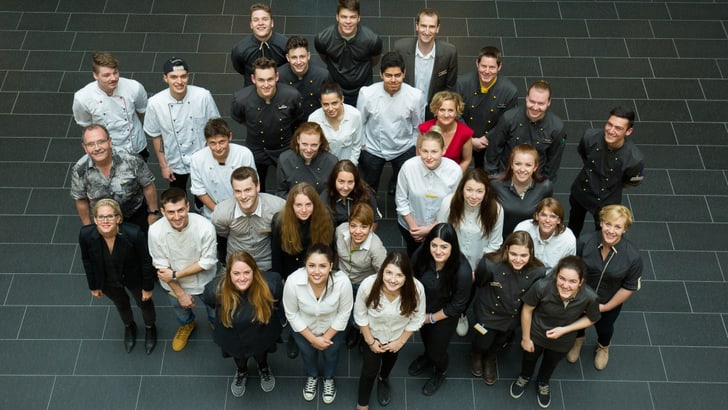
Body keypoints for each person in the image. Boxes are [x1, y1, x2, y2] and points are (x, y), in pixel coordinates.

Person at [510, 256, 600, 408]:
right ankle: (525, 376)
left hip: (563, 340)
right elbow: (527, 310)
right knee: (529, 359)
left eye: (572, 281)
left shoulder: (590, 297)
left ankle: (543, 382)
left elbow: (592, 318)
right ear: (555, 275)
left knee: (551, 363)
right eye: (562, 278)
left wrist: (565, 330)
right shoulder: (541, 287)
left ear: (581, 282)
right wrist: (526, 338)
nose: (566, 285)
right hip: (536, 334)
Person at [567, 205, 642, 370]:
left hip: (608, 301)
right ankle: (578, 340)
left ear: (625, 229)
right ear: (601, 223)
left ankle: (603, 346)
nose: (611, 231)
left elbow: (629, 287)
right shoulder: (584, 242)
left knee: (605, 328)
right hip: (579, 297)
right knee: (576, 320)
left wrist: (606, 307)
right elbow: (573, 270)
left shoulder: (633, 257)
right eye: (608, 224)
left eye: (618, 227)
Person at [79, 198, 157, 354]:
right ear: (95, 219)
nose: (105, 220)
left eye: (110, 216)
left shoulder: (134, 233)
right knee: (121, 303)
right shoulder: (86, 235)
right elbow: (87, 260)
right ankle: (129, 326)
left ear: (118, 218)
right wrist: (93, 285)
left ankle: (150, 328)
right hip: (107, 280)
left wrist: (147, 287)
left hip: (134, 277)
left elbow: (146, 261)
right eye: (101, 217)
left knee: (144, 303)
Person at [201, 251, 282, 398]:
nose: (242, 278)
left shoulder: (271, 284)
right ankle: (242, 372)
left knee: (261, 354)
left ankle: (263, 368)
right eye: (236, 273)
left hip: (261, 333)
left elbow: (277, 298)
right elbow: (209, 300)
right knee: (238, 358)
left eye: (247, 272)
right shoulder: (216, 290)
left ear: (254, 271)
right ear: (229, 274)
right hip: (232, 335)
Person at [471, 231, 545, 385]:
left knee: (500, 342)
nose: (518, 260)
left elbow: (532, 297)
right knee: (482, 341)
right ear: (506, 249)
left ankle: (490, 358)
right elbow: (479, 282)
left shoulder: (538, 271)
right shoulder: (490, 264)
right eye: (513, 254)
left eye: (523, 256)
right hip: (488, 313)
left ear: (531, 253)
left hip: (512, 316)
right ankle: (477, 354)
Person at [148, 188, 218, 352]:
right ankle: (187, 325)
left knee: (214, 308)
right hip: (173, 285)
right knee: (180, 310)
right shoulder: (155, 231)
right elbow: (161, 267)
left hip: (205, 280)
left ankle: (216, 324)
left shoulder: (205, 227)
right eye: (171, 212)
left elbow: (207, 262)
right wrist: (180, 293)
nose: (177, 216)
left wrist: (175, 274)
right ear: (163, 211)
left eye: (180, 210)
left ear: (187, 206)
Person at [283, 244, 353, 405]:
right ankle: (312, 376)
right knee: (307, 355)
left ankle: (328, 379)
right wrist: (313, 340)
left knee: (331, 356)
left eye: (322, 266)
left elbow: (344, 313)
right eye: (311, 265)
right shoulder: (293, 281)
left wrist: (326, 337)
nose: (316, 271)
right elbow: (292, 314)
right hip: (304, 331)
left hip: (333, 330)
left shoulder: (342, 282)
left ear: (331, 266)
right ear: (305, 265)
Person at [355, 251, 425, 409]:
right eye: (388, 273)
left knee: (389, 362)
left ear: (407, 276)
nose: (393, 280)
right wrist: (370, 341)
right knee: (368, 371)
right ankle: (362, 404)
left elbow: (417, 318)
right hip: (372, 336)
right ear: (382, 271)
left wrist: (399, 342)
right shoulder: (368, 285)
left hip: (396, 338)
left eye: (399, 275)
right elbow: (360, 315)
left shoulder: (417, 290)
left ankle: (383, 378)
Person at [408, 223, 472, 396]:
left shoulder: (463, 271)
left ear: (453, 247)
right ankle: (427, 357)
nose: (438, 251)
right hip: (422, 310)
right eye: (434, 245)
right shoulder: (421, 254)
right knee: (426, 340)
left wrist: (431, 318)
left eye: (444, 247)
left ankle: (440, 372)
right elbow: (411, 277)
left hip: (443, 316)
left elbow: (457, 305)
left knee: (438, 351)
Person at [144, 57, 220, 193]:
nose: (179, 82)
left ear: (188, 77)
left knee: (206, 191)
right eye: (173, 77)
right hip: (175, 160)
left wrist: (214, 157)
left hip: (203, 156)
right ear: (165, 78)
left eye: (183, 76)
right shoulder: (155, 103)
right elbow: (156, 136)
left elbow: (214, 127)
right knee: (178, 193)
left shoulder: (203, 96)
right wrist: (163, 166)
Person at [568, 106, 645, 237]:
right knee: (574, 224)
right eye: (610, 124)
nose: (611, 131)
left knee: (604, 233)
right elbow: (584, 155)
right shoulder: (589, 137)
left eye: (618, 128)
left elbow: (630, 182)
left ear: (628, 131)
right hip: (582, 191)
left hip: (607, 201)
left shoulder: (634, 159)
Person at [230, 57, 304, 192]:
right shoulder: (241, 99)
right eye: (261, 80)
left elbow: (297, 117)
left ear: (276, 77)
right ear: (253, 79)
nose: (266, 85)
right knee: (255, 185)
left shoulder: (291, 96)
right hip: (257, 148)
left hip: (285, 147)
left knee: (291, 184)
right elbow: (239, 118)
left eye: (270, 79)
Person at [357, 51, 426, 193]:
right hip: (373, 148)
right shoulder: (367, 94)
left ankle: (395, 185)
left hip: (403, 147)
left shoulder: (415, 96)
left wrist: (413, 146)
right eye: (388, 75)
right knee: (368, 186)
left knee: (403, 184)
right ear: (381, 75)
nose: (393, 80)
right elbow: (360, 122)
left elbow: (418, 126)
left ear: (404, 73)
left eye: (397, 75)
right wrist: (363, 146)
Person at [70, 124, 160, 231]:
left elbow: (148, 185)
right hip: (104, 222)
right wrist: (88, 227)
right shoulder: (79, 170)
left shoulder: (131, 159)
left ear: (110, 141)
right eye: (91, 144)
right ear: (85, 148)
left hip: (135, 213)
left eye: (101, 142)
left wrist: (153, 213)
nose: (97, 148)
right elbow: (81, 200)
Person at [396, 129, 462, 257]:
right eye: (425, 151)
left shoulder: (454, 171)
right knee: (414, 257)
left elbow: (454, 205)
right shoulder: (408, 167)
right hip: (411, 228)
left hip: (440, 227)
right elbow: (401, 200)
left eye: (434, 152)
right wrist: (414, 229)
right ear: (419, 150)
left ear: (443, 151)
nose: (429, 157)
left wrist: (430, 229)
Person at [72, 52, 149, 159]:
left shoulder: (134, 87)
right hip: (105, 152)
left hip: (135, 147)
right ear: (95, 75)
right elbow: (87, 124)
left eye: (115, 73)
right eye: (106, 75)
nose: (113, 78)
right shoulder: (82, 98)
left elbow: (141, 111)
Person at [486, 80, 566, 182]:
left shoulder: (557, 127)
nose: (535, 107)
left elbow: (553, 164)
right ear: (526, 98)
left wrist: (544, 185)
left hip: (535, 180)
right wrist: (492, 178)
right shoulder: (508, 118)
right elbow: (494, 151)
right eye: (532, 102)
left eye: (541, 103)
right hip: (505, 175)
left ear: (549, 102)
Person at [212, 166, 285, 271]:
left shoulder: (278, 207)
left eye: (247, 190)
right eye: (238, 191)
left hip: (266, 266)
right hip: (236, 266)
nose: (243, 196)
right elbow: (222, 235)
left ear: (258, 187)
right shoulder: (222, 213)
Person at [456, 46, 518, 169]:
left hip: (491, 144)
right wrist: (470, 139)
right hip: (464, 139)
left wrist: (486, 138)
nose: (487, 71)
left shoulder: (510, 91)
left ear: (499, 67)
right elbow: (456, 113)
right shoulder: (462, 83)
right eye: (483, 66)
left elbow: (508, 122)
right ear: (477, 63)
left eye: (492, 67)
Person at [335, 202, 387, 347]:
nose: (357, 231)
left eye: (363, 227)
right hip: (342, 278)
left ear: (371, 227)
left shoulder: (376, 247)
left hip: (362, 284)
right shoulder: (340, 231)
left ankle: (356, 329)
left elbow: (382, 274)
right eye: (353, 225)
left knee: (359, 311)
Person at [314, 0, 383, 106]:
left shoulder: (372, 40)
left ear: (358, 18)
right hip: (335, 89)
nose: (348, 21)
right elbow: (325, 58)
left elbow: (374, 61)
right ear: (337, 17)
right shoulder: (323, 39)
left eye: (352, 17)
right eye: (344, 17)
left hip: (363, 88)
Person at [393, 7, 457, 119]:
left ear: (438, 29)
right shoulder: (400, 48)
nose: (427, 31)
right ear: (417, 26)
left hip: (433, 112)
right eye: (423, 26)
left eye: (432, 27)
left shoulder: (449, 53)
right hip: (405, 109)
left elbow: (450, 87)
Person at [437, 168, 503, 271]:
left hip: (480, 266)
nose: (474, 196)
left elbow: (495, 244)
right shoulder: (448, 203)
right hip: (451, 264)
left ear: (486, 192)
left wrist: (478, 269)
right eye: (469, 190)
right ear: (462, 188)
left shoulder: (496, 209)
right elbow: (440, 237)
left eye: (479, 191)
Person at [189, 118, 256, 219]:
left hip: (243, 211)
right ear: (206, 142)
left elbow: (253, 184)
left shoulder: (244, 154)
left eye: (222, 142)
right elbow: (199, 191)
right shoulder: (197, 159)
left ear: (230, 137)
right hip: (213, 213)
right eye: (212, 143)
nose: (218, 148)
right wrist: (220, 212)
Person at [271, 183, 335, 279]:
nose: (304, 210)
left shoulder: (326, 218)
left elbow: (330, 250)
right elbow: (277, 256)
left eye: (308, 204)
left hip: (319, 272)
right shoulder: (279, 221)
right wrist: (280, 279)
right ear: (291, 206)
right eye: (298, 205)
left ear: (315, 204)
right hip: (291, 272)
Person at [491, 144, 553, 237]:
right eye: (518, 164)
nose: (522, 169)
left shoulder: (545, 187)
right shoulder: (495, 184)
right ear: (512, 165)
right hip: (499, 240)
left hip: (529, 241)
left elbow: (545, 216)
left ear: (535, 167)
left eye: (528, 165)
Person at [275, 122, 339, 198]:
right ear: (298, 140)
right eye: (304, 144)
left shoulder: (331, 162)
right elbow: (281, 191)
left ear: (320, 143)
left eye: (314, 145)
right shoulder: (285, 159)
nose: (308, 150)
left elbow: (333, 192)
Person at [514, 198, 576, 274]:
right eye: (543, 215)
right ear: (537, 216)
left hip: (551, 279)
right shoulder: (523, 229)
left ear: (559, 220)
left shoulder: (568, 239)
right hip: (523, 273)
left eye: (553, 216)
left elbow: (568, 268)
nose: (547, 220)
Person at [231, 3, 288, 86]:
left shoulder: (285, 45)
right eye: (256, 20)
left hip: (279, 85)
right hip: (252, 86)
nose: (260, 23)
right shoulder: (240, 49)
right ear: (251, 25)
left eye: (265, 19)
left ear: (272, 23)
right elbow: (240, 68)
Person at [417, 91, 473, 173]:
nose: (446, 115)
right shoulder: (425, 129)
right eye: (442, 110)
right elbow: (419, 156)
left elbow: (466, 160)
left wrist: (455, 177)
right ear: (435, 111)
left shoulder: (465, 133)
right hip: (427, 173)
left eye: (450, 110)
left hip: (452, 176)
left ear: (456, 112)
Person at [308, 82, 363, 164]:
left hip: (347, 166)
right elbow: (311, 146)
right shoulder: (314, 118)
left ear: (342, 99)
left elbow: (357, 145)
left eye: (334, 103)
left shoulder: (355, 115)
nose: (330, 108)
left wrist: (351, 166)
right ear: (320, 103)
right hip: (323, 166)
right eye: (325, 104)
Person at [278, 36, 331, 117]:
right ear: (288, 58)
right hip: (289, 121)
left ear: (308, 56)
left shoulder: (322, 76)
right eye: (294, 57)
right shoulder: (279, 76)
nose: (298, 62)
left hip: (314, 121)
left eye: (302, 56)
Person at [322, 159, 381, 227]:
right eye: (341, 182)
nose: (346, 187)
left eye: (350, 182)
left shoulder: (366, 194)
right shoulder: (325, 198)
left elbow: (374, 221)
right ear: (334, 181)